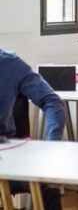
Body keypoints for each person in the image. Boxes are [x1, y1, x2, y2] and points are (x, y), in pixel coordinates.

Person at [0, 49, 64, 210]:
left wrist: (52, 145)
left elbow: (51, 101)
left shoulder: (10, 64)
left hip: (8, 156)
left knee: (49, 184)